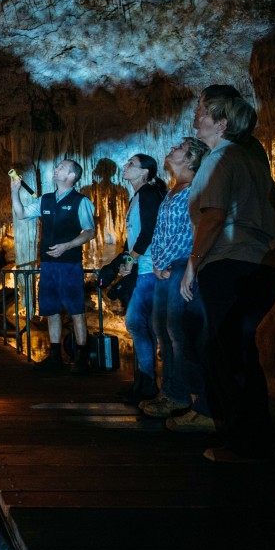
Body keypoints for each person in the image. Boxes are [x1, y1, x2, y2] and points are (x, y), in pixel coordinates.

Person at [181, 93, 275, 463]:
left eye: (203, 112)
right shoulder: (251, 161)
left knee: (230, 356)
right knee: (237, 353)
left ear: (222, 123)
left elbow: (213, 217)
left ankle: (245, 444)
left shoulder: (220, 158)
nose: (196, 115)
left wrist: (193, 265)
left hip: (229, 264)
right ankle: (255, 438)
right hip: (258, 265)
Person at [140, 137, 212, 429]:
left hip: (183, 265)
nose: (171, 149)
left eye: (179, 148)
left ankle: (189, 397)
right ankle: (171, 392)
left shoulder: (197, 187)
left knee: (179, 333)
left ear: (191, 158)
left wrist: (183, 266)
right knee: (163, 330)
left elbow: (192, 230)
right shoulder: (172, 191)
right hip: (165, 267)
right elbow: (161, 231)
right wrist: (157, 262)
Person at [11, 159, 97, 373]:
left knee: (76, 310)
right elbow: (21, 214)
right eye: (57, 166)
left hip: (69, 264)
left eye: (61, 168)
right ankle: (55, 356)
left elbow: (89, 231)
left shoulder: (81, 201)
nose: (56, 169)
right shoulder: (45, 200)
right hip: (48, 263)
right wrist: (15, 192)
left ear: (71, 176)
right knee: (51, 309)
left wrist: (68, 245)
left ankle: (81, 357)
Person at [118, 154, 167, 402]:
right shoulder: (137, 196)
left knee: (136, 322)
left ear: (145, 172)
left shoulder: (147, 194)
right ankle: (144, 382)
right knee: (144, 325)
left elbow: (149, 230)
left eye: (131, 165)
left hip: (149, 268)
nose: (125, 167)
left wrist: (131, 258)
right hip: (144, 267)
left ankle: (148, 382)